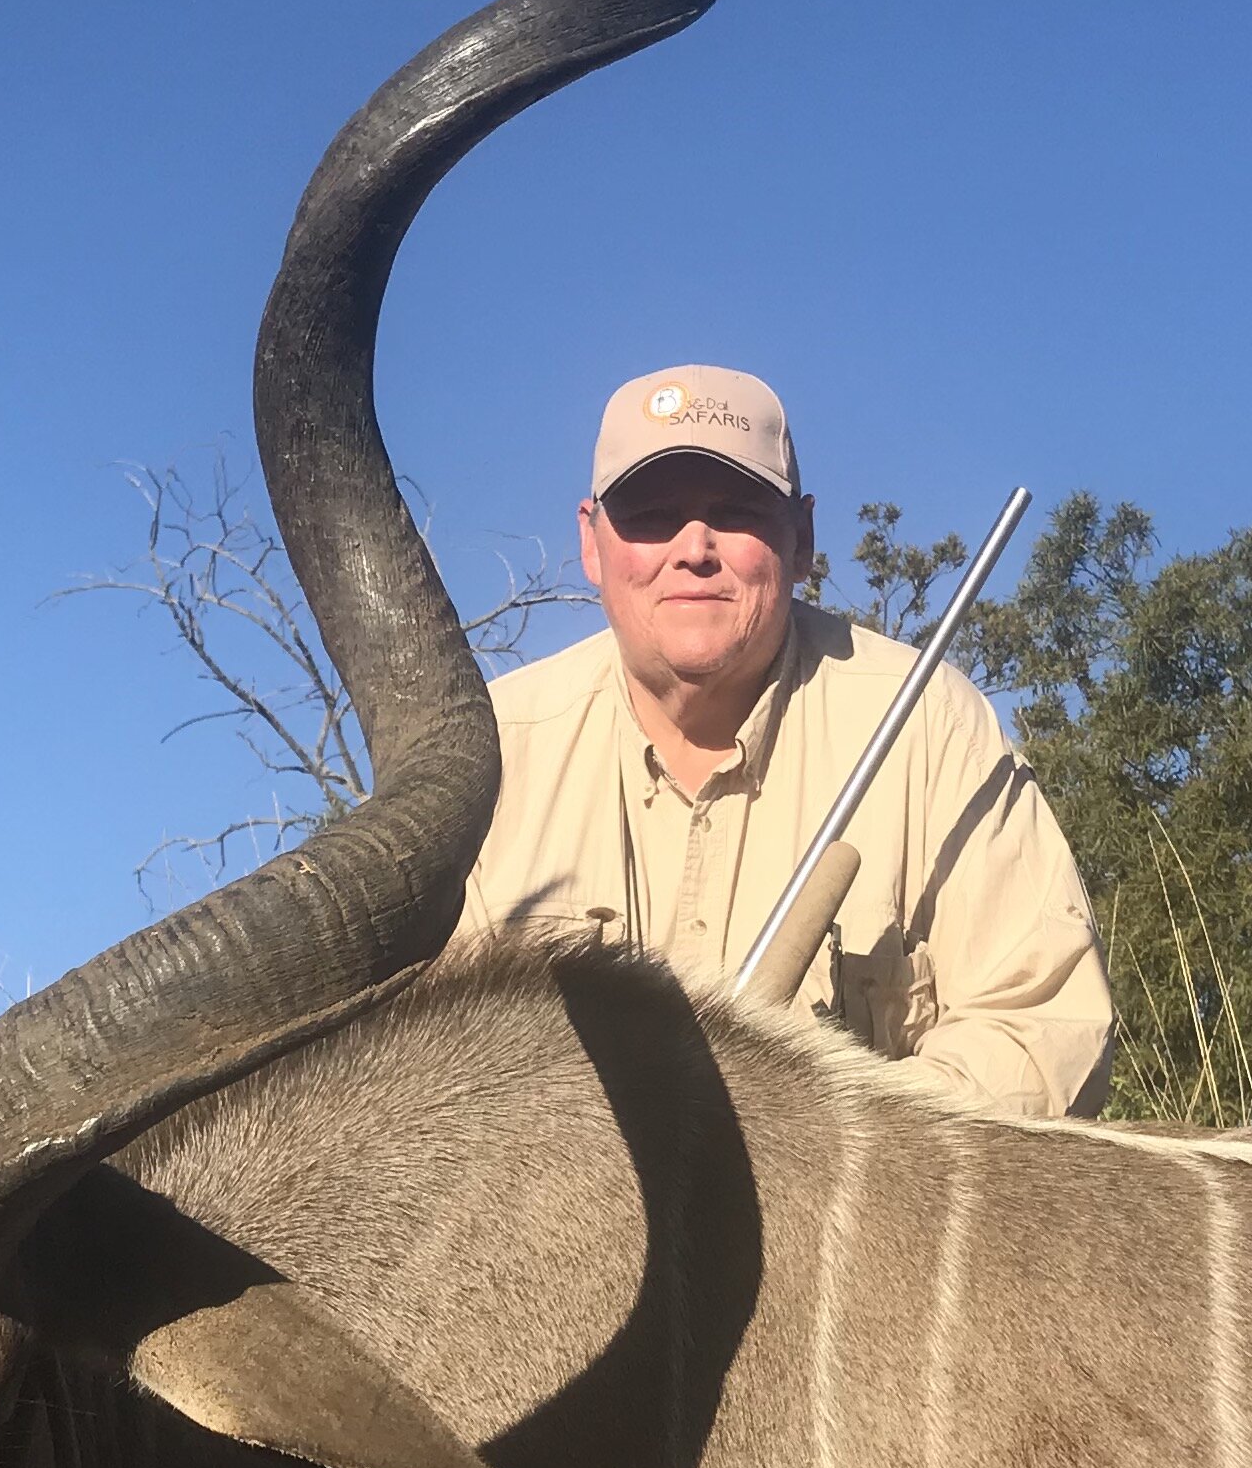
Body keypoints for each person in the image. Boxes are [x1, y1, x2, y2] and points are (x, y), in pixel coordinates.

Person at [459, 364, 1113, 1118]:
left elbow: (1042, 1025)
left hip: (858, 1224)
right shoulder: (490, 754)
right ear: (593, 541)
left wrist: (809, 1148)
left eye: (736, 510)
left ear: (801, 539)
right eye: (650, 514)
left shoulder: (929, 722)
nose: (693, 546)